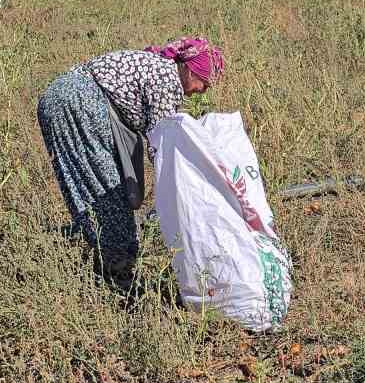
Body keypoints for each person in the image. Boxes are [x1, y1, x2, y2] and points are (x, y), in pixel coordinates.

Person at [37, 37, 226, 289]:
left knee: (90, 189)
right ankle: (118, 278)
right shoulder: (168, 81)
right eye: (204, 82)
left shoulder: (162, 69)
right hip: (79, 105)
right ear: (191, 70)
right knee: (107, 194)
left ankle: (110, 264)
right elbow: (163, 148)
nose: (204, 90)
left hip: (61, 99)